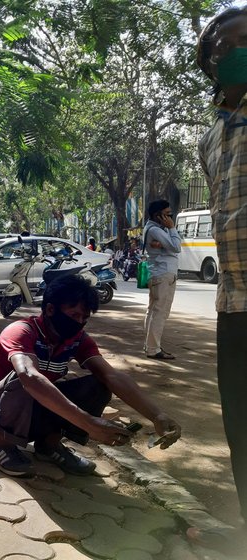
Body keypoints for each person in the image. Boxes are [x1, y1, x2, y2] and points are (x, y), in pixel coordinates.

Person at [0, 275, 181, 477]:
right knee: (25, 379)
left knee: (97, 385)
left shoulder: (78, 340)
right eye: (74, 315)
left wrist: (157, 415)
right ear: (50, 310)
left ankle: (50, 447)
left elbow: (112, 375)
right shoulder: (21, 331)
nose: (80, 322)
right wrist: (88, 422)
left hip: (34, 410)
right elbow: (28, 375)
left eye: (84, 318)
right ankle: (3, 447)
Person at [195, 8, 247, 547]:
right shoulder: (209, 137)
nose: (240, 48)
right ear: (212, 59)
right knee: (241, 430)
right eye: (230, 42)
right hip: (233, 307)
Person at [142, 200, 182, 360]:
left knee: (153, 310)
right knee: (160, 312)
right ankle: (153, 348)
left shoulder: (153, 229)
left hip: (158, 273)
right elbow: (177, 247)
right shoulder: (157, 231)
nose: (170, 217)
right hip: (164, 273)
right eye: (168, 214)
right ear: (158, 215)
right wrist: (172, 228)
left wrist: (167, 240)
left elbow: (172, 245)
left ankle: (150, 345)